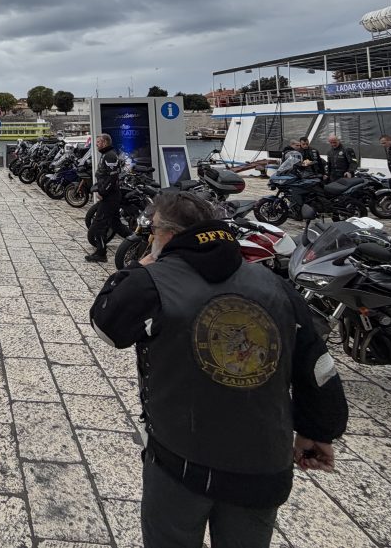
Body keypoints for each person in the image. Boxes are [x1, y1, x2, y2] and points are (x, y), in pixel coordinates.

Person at [90, 190, 348, 548]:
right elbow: (317, 363)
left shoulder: (153, 281)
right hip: (264, 462)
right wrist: (319, 429)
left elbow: (106, 325)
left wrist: (137, 268)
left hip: (181, 458)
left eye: (152, 231)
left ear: (165, 233)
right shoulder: (276, 286)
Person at [85, 134, 127, 262]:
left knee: (98, 226)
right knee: (115, 224)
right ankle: (136, 240)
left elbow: (112, 177)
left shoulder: (109, 155)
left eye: (98, 142)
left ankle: (101, 253)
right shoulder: (106, 154)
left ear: (105, 142)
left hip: (110, 197)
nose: (96, 144)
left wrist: (102, 192)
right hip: (111, 195)